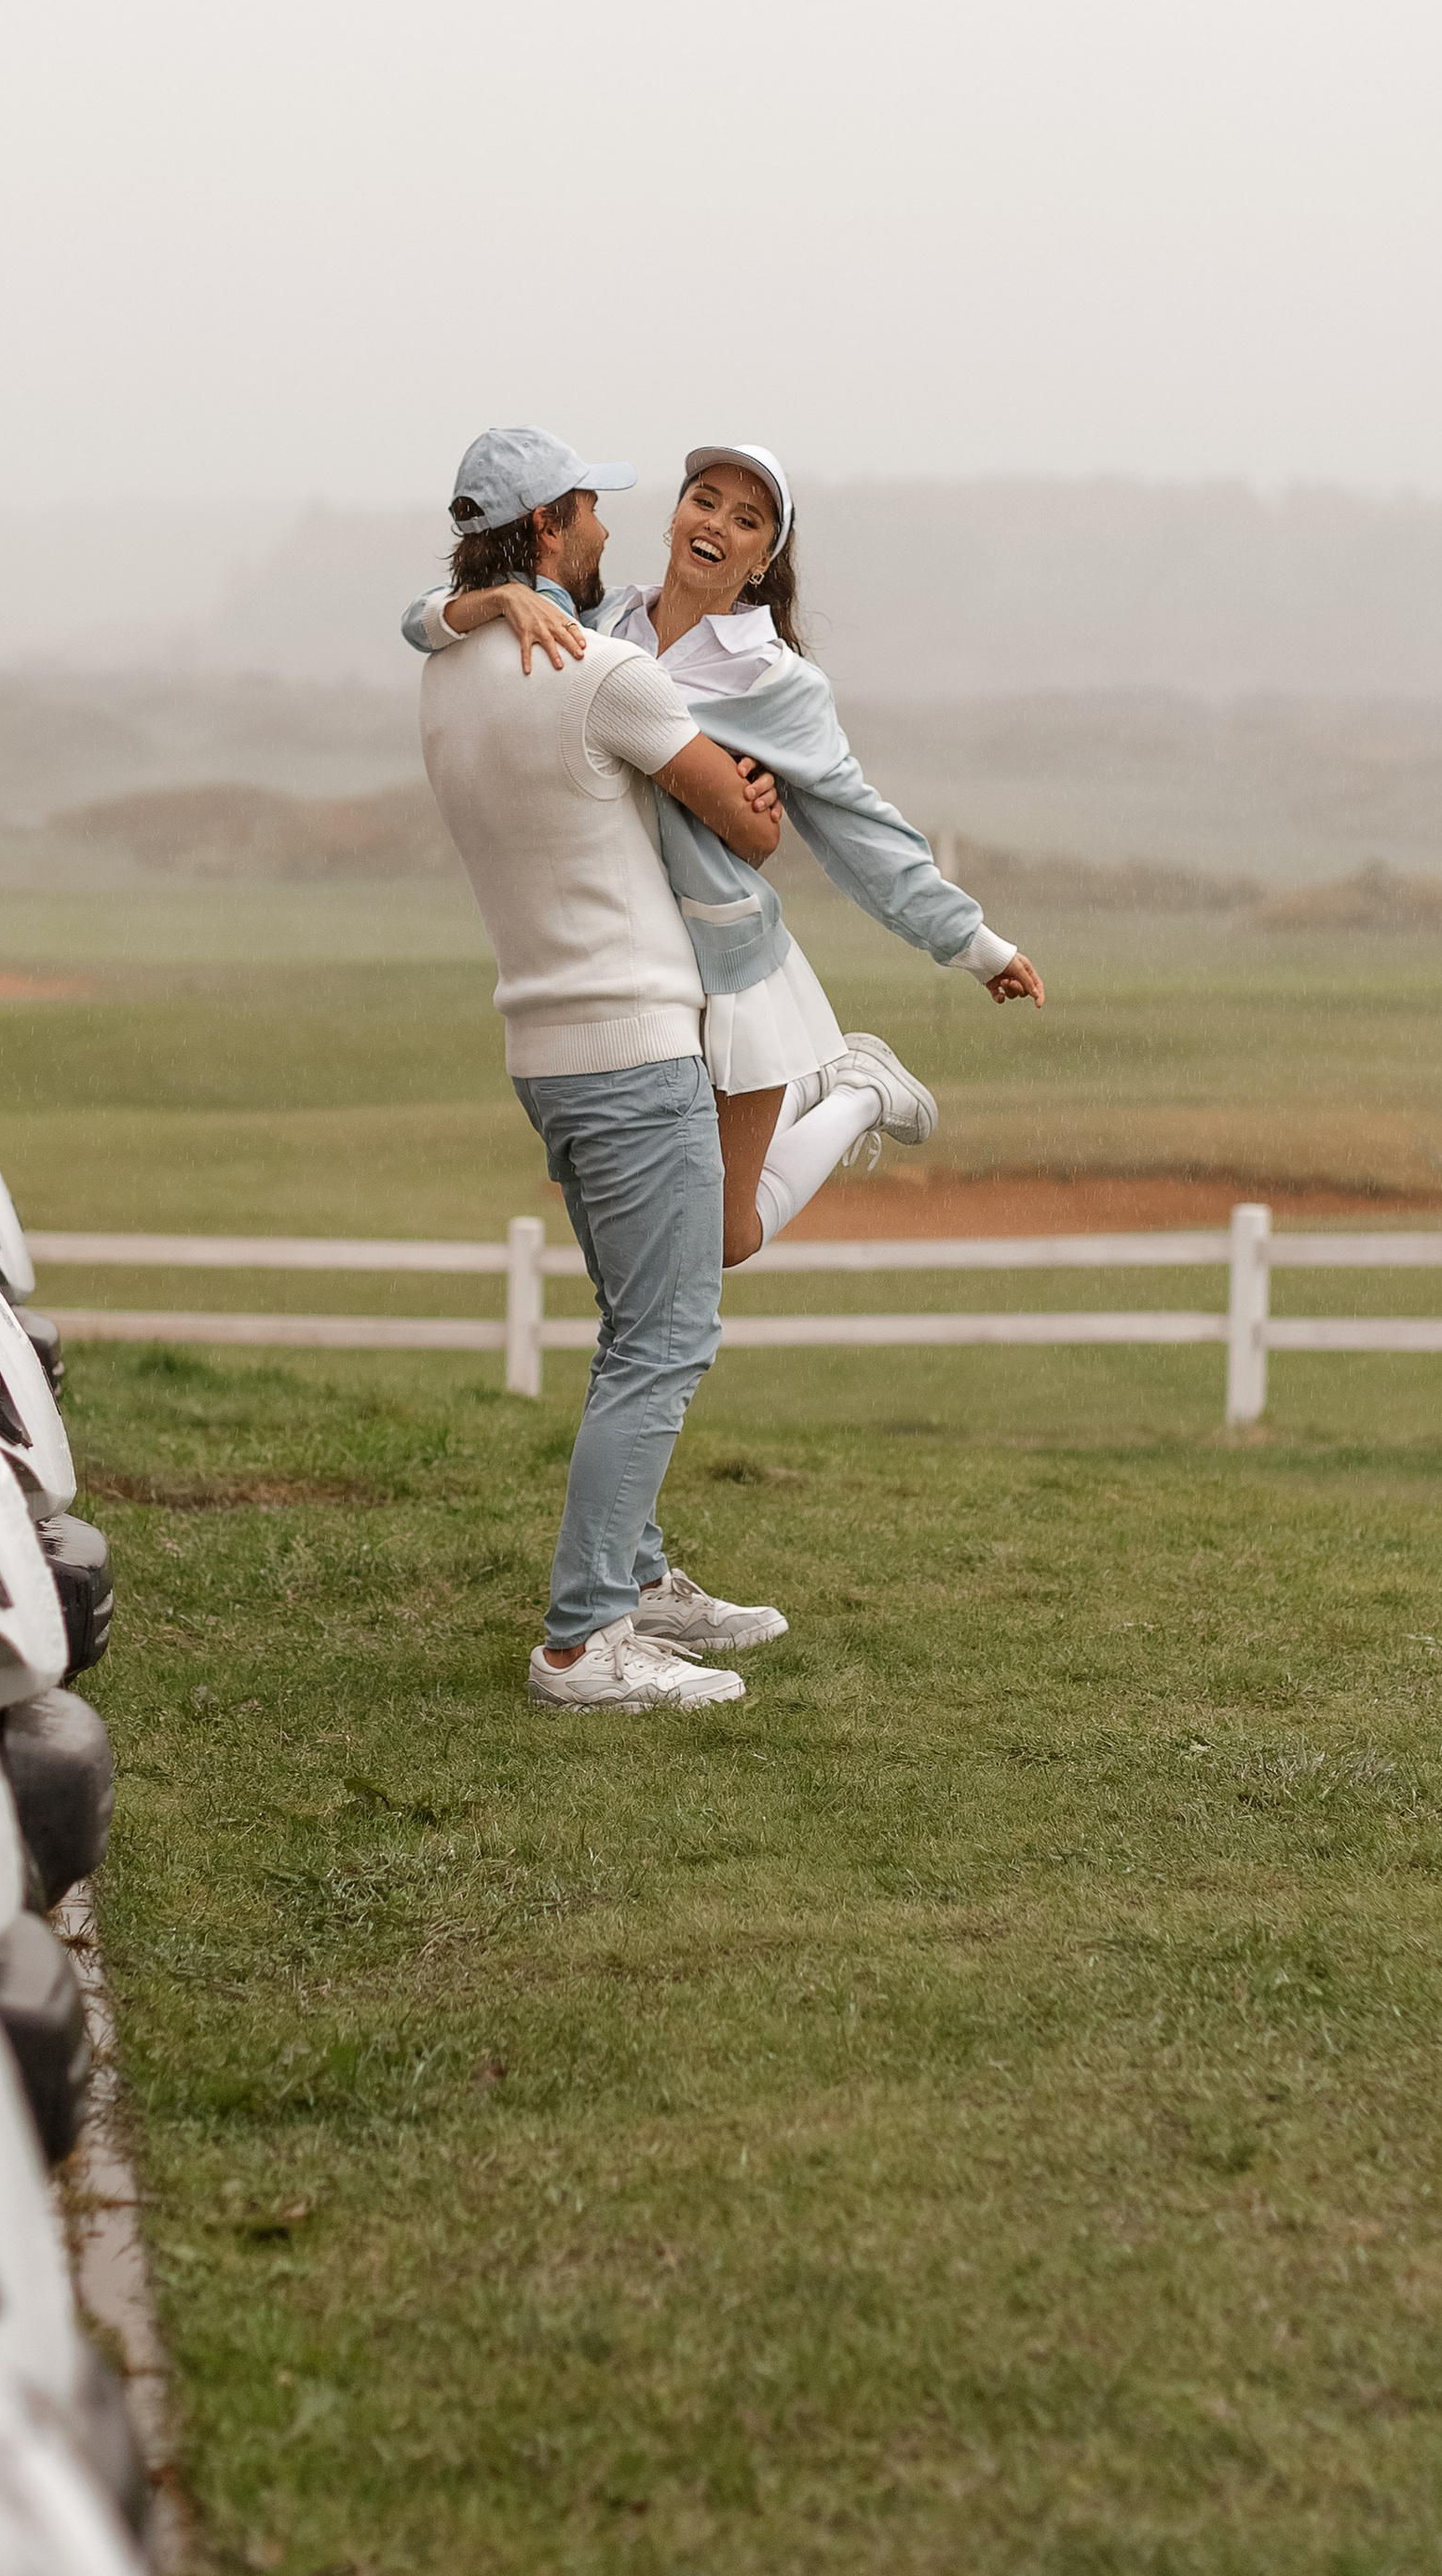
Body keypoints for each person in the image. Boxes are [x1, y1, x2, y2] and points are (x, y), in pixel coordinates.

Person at [405, 443, 1043, 1264]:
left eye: (747, 520)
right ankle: (835, 1078)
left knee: (721, 1238)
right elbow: (423, 615)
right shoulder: (597, 627)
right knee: (663, 1222)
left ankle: (855, 1089)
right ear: (674, 517)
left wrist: (976, 945)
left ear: (762, 561)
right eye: (704, 501)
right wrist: (498, 602)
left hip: (729, 974)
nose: (717, 525)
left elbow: (862, 829)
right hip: (630, 975)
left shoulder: (775, 682)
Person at [415, 424, 796, 1714]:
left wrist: (475, 597)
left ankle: (634, 1581)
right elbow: (745, 820)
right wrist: (756, 801)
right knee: (667, 1340)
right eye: (589, 512)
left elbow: (426, 619)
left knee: (634, 1331)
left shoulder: (449, 669)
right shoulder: (604, 672)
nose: (608, 533)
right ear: (546, 528)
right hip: (631, 1046)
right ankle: (585, 1641)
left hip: (547, 1048)